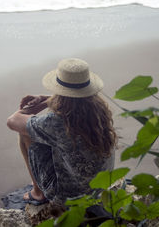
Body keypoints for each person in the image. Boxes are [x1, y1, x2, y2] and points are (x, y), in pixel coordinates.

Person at [7, 58, 116, 206]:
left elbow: (12, 121)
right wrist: (45, 100)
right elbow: (74, 102)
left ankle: (38, 192)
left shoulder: (58, 123)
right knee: (49, 137)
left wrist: (35, 107)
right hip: (99, 188)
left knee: (26, 133)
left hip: (70, 197)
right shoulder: (99, 109)